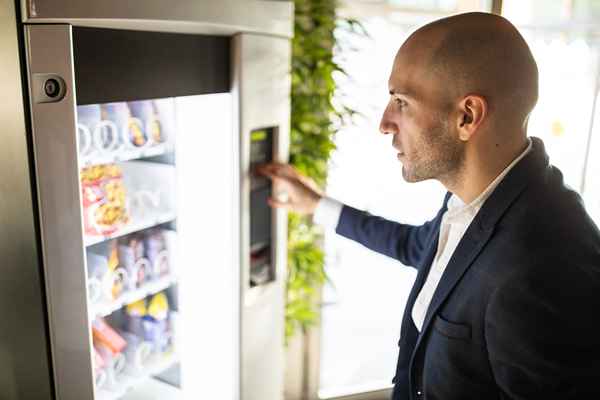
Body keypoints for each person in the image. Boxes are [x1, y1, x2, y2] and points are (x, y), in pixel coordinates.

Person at [257, 11, 600, 400]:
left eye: (402, 102)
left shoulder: (543, 267)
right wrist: (317, 205)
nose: (385, 123)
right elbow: (420, 247)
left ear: (467, 117)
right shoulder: (484, 196)